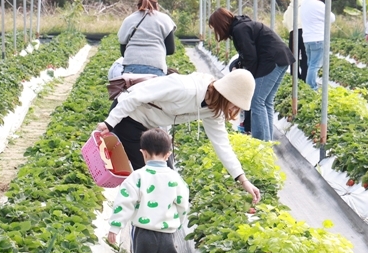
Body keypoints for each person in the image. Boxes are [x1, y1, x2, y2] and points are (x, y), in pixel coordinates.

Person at [96, 68, 262, 204]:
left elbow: (222, 144)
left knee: (167, 177)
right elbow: (136, 96)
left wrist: (243, 179)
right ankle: (143, 227)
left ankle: (161, 228)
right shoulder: (185, 87)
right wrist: (109, 123)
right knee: (153, 178)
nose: (235, 110)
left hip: (150, 125)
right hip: (127, 118)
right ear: (227, 95)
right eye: (236, 103)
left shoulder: (213, 110)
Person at [107, 128, 189, 253]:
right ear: (168, 154)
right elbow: (183, 204)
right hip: (166, 232)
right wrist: (177, 222)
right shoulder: (175, 178)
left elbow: (124, 203)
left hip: (143, 232)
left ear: (142, 152)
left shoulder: (137, 177)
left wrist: (115, 227)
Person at [209, 7, 295, 142]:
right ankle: (267, 144)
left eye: (215, 28)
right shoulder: (241, 26)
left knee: (256, 101)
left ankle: (261, 144)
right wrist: (238, 65)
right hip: (281, 58)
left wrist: (247, 78)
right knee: (266, 102)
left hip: (271, 60)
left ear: (220, 24)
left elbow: (250, 58)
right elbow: (247, 55)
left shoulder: (239, 30)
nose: (216, 32)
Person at [117, 0, 176, 76]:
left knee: (130, 89)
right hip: (156, 66)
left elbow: (123, 50)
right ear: (157, 6)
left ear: (138, 7)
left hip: (131, 67)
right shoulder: (164, 19)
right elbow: (170, 49)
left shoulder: (128, 20)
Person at [301, 0, 335, 91]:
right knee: (314, 65)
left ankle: (309, 87)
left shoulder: (304, 3)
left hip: (307, 38)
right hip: (318, 38)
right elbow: (331, 18)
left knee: (310, 64)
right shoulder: (318, 5)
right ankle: (312, 88)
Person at [282, 0, 308, 82]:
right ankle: (305, 78)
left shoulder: (290, 7)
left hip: (293, 32)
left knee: (293, 57)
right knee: (305, 56)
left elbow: (285, 21)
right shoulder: (307, 3)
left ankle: (295, 78)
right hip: (305, 31)